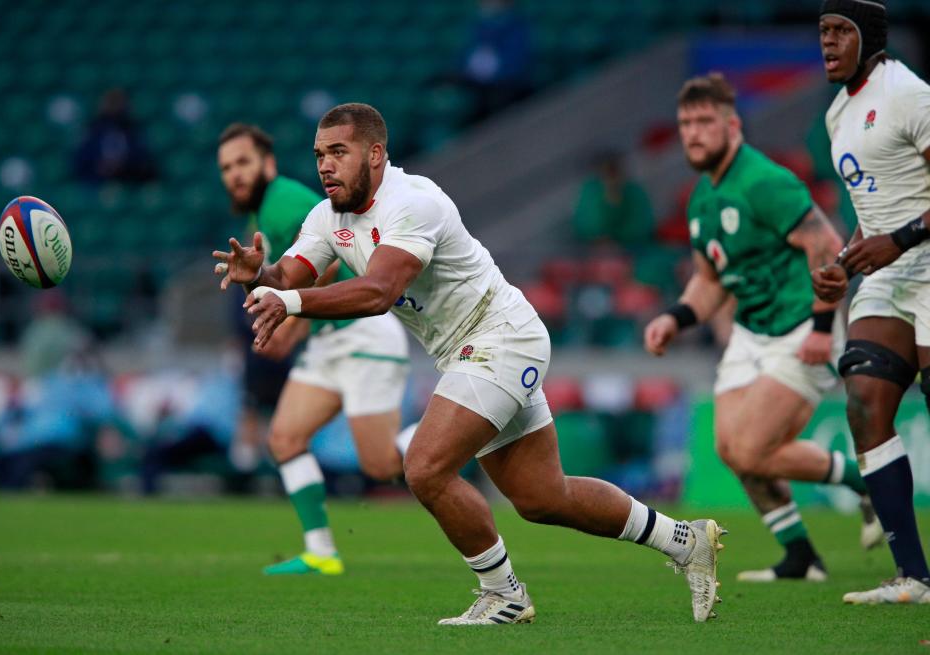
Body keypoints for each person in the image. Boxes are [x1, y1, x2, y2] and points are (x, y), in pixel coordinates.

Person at [213, 103, 725, 624]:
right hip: (469, 350)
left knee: (426, 468)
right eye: (320, 154)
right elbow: (290, 275)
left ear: (375, 154)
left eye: (338, 153)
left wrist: (291, 302)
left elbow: (379, 291)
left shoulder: (412, 201)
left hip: (500, 337)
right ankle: (684, 540)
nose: (325, 165)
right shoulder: (327, 217)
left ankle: (504, 594)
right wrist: (261, 277)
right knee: (543, 498)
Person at [644, 73, 881, 582]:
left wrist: (823, 325)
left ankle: (866, 483)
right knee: (732, 450)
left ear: (734, 125)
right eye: (685, 123)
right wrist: (675, 316)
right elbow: (709, 281)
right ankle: (800, 557)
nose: (693, 133)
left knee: (754, 447)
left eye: (705, 121)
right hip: (751, 333)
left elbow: (826, 247)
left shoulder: (764, 181)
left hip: (800, 326)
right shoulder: (701, 198)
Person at [217, 124, 416, 576]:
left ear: (268, 164)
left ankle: (450, 435)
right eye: (227, 168)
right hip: (329, 341)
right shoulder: (259, 216)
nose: (234, 174)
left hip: (362, 334)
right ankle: (321, 551)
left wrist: (289, 326)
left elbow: (332, 249)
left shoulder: (284, 200)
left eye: (243, 162)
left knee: (382, 465)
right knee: (284, 439)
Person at [812, 0, 930, 604]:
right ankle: (914, 576)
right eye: (824, 32)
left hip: (928, 260)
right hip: (888, 272)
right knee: (863, 400)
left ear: (870, 39)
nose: (827, 42)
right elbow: (874, 213)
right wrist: (844, 261)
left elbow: (903, 220)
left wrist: (900, 239)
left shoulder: (910, 94)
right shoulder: (839, 112)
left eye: (840, 32)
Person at [72, 88, 157, 184]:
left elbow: (142, 157)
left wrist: (123, 164)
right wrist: (100, 165)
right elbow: (81, 158)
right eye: (111, 102)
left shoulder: (133, 128)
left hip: (128, 180)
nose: (114, 106)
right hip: (95, 181)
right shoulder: (93, 128)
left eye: (117, 102)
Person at [571, 151, 655, 247]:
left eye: (614, 171)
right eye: (607, 172)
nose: (612, 178)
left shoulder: (634, 192)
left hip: (635, 247)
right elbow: (586, 225)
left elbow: (641, 227)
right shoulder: (591, 191)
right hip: (597, 248)